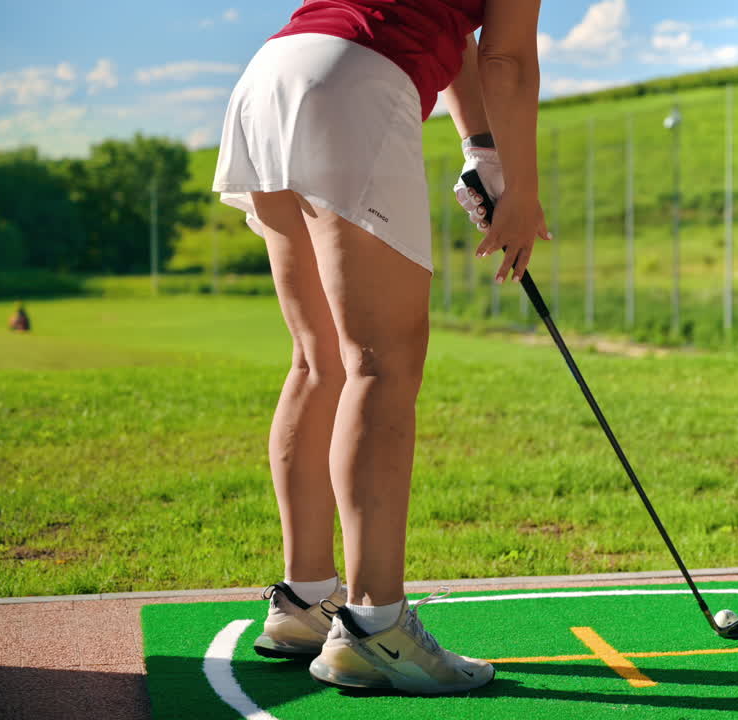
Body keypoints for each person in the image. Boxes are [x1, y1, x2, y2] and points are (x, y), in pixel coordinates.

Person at [211, 0, 548, 694]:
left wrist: (484, 152)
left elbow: (458, 40)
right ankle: (375, 626)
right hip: (353, 83)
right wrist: (522, 190)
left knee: (320, 362)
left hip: (271, 76)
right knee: (381, 364)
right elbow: (506, 57)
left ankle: (307, 602)